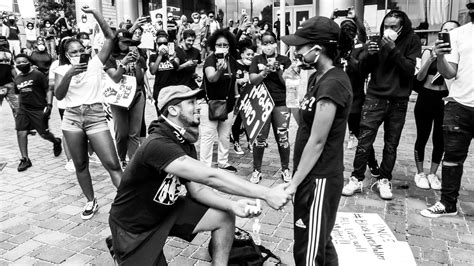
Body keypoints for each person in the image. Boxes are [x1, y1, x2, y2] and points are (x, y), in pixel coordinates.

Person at [107, 85, 292, 265]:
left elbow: (197, 189)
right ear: (173, 109)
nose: (198, 107)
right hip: (134, 227)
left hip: (165, 211)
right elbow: (211, 177)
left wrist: (232, 205)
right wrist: (266, 193)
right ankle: (120, 249)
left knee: (224, 216)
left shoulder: (183, 141)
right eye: (191, 103)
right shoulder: (157, 144)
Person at [282, 16, 353, 266]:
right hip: (310, 174)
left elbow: (318, 140)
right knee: (318, 241)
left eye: (300, 46)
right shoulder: (316, 77)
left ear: (317, 49)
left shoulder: (333, 83)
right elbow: (303, 121)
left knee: (308, 251)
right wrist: (292, 85)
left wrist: (293, 184)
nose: (296, 51)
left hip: (319, 177)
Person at [342, 10, 421, 200]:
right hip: (375, 97)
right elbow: (362, 71)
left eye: (393, 26)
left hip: (398, 100)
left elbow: (410, 70)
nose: (389, 30)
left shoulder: (412, 41)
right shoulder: (376, 40)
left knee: (391, 144)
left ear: (402, 27)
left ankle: (384, 179)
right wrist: (369, 55)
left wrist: (393, 50)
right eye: (386, 26)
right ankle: (356, 178)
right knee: (364, 141)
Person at [54, 6, 122, 220]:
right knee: (81, 164)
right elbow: (58, 95)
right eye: (72, 52)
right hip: (72, 119)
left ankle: (127, 202)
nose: (78, 54)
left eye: (80, 50)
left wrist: (95, 13)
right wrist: (70, 74)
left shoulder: (95, 64)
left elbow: (111, 37)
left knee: (112, 163)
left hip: (95, 117)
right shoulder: (62, 70)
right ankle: (90, 201)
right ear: (66, 55)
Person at [420, 1, 474, 218]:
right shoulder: (459, 34)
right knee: (452, 158)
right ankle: (448, 203)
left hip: (459, 106)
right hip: (460, 104)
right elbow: (449, 73)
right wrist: (440, 56)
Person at [413, 20, 460, 190]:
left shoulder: (459, 54)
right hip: (426, 96)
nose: (449, 32)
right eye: (445, 29)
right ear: (440, 32)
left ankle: (433, 173)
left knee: (440, 139)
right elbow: (419, 78)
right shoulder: (429, 51)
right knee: (422, 135)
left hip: (445, 98)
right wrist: (431, 58)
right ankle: (420, 173)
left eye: (452, 30)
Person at [338, 18, 381, 177]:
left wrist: (348, 55)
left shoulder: (361, 48)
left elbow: (361, 71)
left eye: (351, 30)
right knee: (334, 135)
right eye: (344, 31)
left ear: (355, 33)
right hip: (337, 100)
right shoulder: (337, 49)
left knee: (361, 135)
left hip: (355, 100)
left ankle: (372, 162)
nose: (348, 34)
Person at [249, 31, 292, 183]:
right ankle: (256, 170)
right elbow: (253, 80)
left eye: (271, 42)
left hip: (281, 103)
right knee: (260, 139)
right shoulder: (257, 59)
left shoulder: (285, 60)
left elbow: (288, 82)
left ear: (276, 43)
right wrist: (265, 71)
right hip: (262, 104)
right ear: (261, 44)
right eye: (265, 43)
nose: (268, 46)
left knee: (282, 137)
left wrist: (278, 69)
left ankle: (285, 168)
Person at [104, 30, 146, 169]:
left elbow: (140, 79)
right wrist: (123, 63)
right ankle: (121, 159)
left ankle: (133, 164)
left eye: (129, 42)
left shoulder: (136, 55)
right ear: (117, 42)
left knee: (134, 133)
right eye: (124, 42)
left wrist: (138, 62)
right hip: (119, 98)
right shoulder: (110, 57)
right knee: (121, 133)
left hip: (137, 95)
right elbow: (115, 78)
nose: (127, 45)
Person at [13, 53, 62, 171]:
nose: (21, 64)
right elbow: (18, 94)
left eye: (23, 61)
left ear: (29, 62)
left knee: (44, 134)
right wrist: (17, 109)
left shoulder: (37, 74)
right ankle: (25, 159)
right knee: (21, 132)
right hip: (23, 109)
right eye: (18, 62)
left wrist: (49, 105)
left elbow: (48, 90)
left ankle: (56, 141)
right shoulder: (17, 78)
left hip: (38, 108)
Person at [199, 29, 239, 172]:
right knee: (208, 136)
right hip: (211, 103)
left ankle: (223, 161)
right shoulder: (210, 60)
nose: (222, 47)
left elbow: (234, 80)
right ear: (213, 45)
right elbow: (211, 78)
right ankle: (205, 167)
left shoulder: (232, 61)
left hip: (227, 104)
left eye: (225, 45)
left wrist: (236, 97)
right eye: (219, 44)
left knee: (224, 135)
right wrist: (220, 70)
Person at [231, 39, 255, 155]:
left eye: (252, 54)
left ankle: (250, 141)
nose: (250, 57)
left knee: (249, 120)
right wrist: (239, 81)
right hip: (239, 98)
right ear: (242, 54)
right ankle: (236, 142)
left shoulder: (253, 65)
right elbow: (233, 80)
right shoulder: (235, 64)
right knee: (238, 120)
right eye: (248, 54)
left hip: (250, 97)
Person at [149, 30, 179, 109]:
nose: (162, 45)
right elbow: (153, 71)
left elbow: (177, 67)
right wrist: (160, 56)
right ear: (156, 45)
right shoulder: (153, 57)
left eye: (165, 44)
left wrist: (170, 57)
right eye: (160, 44)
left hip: (172, 89)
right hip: (159, 90)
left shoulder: (173, 54)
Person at [0, 38, 18, 118]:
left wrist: (17, 79)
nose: (2, 42)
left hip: (9, 84)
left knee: (17, 108)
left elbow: (12, 67)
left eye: (4, 41)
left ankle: (22, 128)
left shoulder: (8, 52)